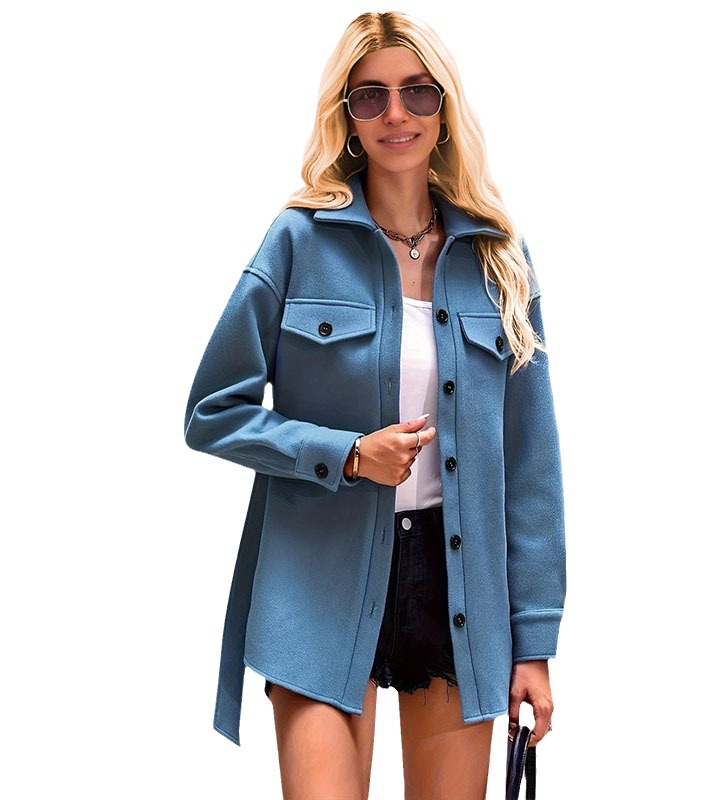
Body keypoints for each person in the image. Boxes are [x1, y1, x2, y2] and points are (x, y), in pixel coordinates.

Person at [183, 10, 566, 799]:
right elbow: (212, 410)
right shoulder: (297, 242)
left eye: (418, 92)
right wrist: (348, 454)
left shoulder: (501, 257)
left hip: (461, 591)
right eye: (371, 96)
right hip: (316, 581)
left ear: (445, 109)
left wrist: (533, 642)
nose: (397, 113)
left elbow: (532, 467)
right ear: (348, 117)